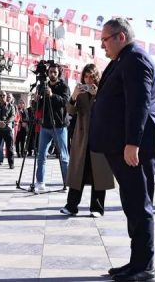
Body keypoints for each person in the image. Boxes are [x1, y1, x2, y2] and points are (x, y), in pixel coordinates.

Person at [89, 18, 155, 281]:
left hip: (136, 147)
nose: (102, 46)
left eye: (105, 40)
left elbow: (139, 103)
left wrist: (132, 142)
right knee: (132, 204)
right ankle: (136, 262)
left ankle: (145, 266)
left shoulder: (135, 59)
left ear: (121, 36)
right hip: (124, 145)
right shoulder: (123, 59)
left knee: (139, 204)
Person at [61, 63, 115, 217]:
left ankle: (97, 208)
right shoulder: (80, 92)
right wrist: (74, 96)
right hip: (82, 137)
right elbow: (70, 111)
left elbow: (110, 111)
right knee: (78, 171)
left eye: (92, 76)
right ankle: (71, 206)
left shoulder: (103, 91)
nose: (89, 79)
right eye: (86, 76)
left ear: (96, 77)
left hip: (100, 136)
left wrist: (99, 95)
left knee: (99, 172)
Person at [35, 63, 71, 193]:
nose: (52, 74)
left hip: (60, 126)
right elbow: (38, 107)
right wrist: (37, 100)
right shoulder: (43, 86)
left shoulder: (64, 86)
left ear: (58, 73)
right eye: (50, 72)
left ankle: (67, 183)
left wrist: (51, 95)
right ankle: (40, 182)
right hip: (45, 125)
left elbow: (65, 102)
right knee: (41, 155)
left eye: (55, 72)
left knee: (63, 156)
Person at [0, 90, 16, 169]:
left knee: (10, 147)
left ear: (6, 96)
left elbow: (13, 116)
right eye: (1, 95)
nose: (2, 97)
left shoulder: (10, 106)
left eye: (4, 96)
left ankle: (11, 163)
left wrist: (6, 122)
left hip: (7, 129)